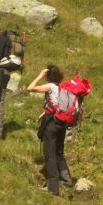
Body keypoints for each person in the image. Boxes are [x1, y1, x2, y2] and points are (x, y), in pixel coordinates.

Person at [27, 64, 74, 195]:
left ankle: (53, 188)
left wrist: (40, 75)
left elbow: (30, 88)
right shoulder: (62, 88)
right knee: (59, 152)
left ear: (48, 76)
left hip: (52, 125)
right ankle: (66, 179)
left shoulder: (50, 86)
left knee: (50, 154)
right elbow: (58, 105)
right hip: (62, 123)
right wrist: (44, 112)